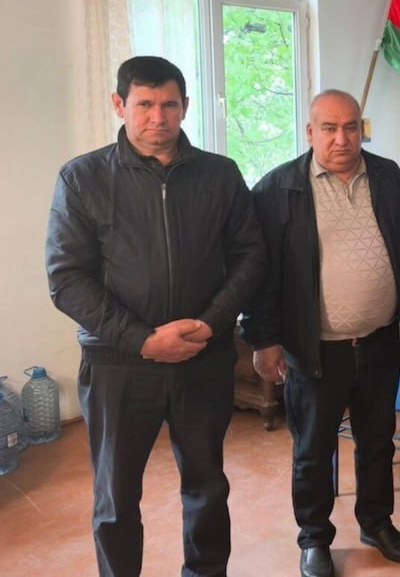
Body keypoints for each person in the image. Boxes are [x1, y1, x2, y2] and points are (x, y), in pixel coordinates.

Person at [45, 55, 267, 577]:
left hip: (203, 356)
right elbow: (66, 278)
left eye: (169, 104)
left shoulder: (220, 174)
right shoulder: (82, 178)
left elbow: (251, 256)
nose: (157, 117)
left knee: (207, 486)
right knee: (116, 495)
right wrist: (143, 340)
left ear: (185, 106)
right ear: (119, 104)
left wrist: (211, 322)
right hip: (118, 364)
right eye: (144, 104)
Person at [241, 89, 400, 577]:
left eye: (350, 127)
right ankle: (314, 539)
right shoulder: (278, 189)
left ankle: (376, 522)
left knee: (377, 441)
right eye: (329, 128)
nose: (341, 139)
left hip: (380, 341)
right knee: (312, 450)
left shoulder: (386, 176)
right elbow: (259, 273)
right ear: (310, 132)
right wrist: (264, 338)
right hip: (314, 350)